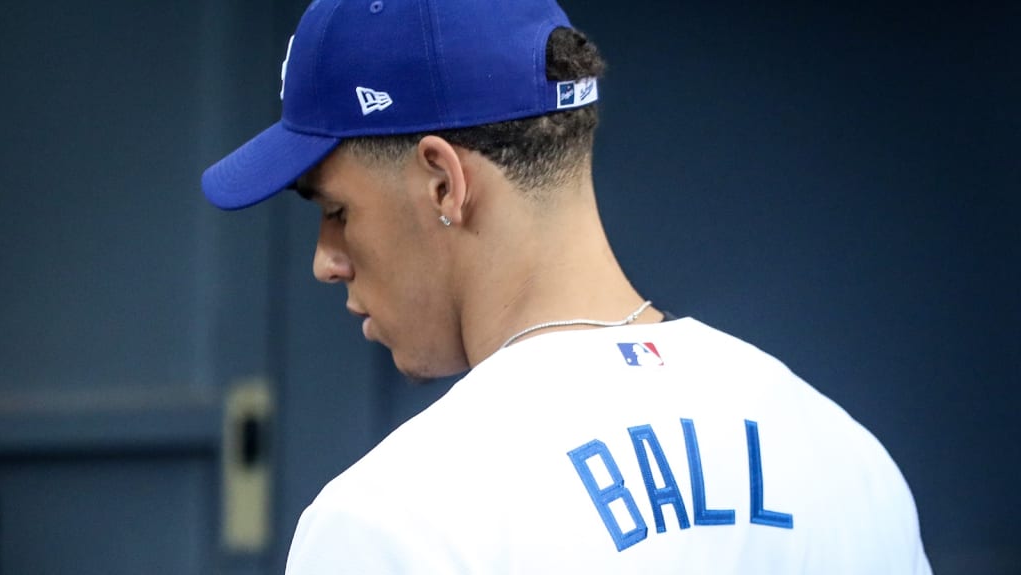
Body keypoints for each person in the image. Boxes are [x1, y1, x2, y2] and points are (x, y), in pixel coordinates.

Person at [202, 0, 932, 572]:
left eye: (336, 211)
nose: (326, 261)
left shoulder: (388, 519)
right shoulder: (846, 460)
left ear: (441, 181)